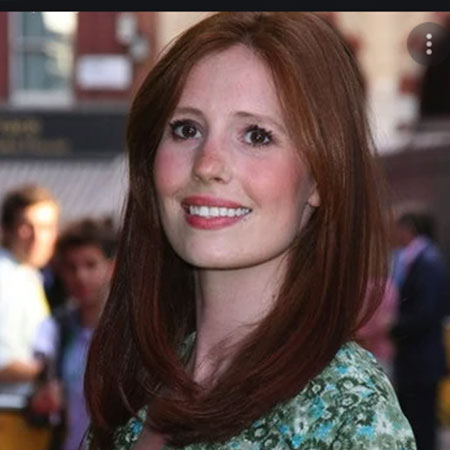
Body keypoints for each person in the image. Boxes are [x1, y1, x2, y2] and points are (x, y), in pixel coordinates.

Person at [85, 12, 417, 450]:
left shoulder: (349, 408)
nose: (207, 164)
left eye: (257, 136)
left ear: (320, 178)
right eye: (186, 129)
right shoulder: (136, 385)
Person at [30, 218, 118, 450]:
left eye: (90, 265)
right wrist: (43, 398)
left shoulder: (130, 333)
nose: (80, 276)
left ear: (112, 267)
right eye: (71, 267)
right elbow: (38, 394)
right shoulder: (55, 329)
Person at [0, 183, 59, 449]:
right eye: (27, 226)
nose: (37, 237)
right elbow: (3, 364)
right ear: (6, 230)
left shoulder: (28, 276)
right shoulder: (6, 278)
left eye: (47, 227)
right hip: (9, 420)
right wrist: (54, 372)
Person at [390, 209, 449, 450]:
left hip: (421, 359)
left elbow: (426, 312)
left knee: (422, 424)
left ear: (410, 229)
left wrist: (394, 325)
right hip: (415, 359)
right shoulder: (414, 260)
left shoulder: (426, 263)